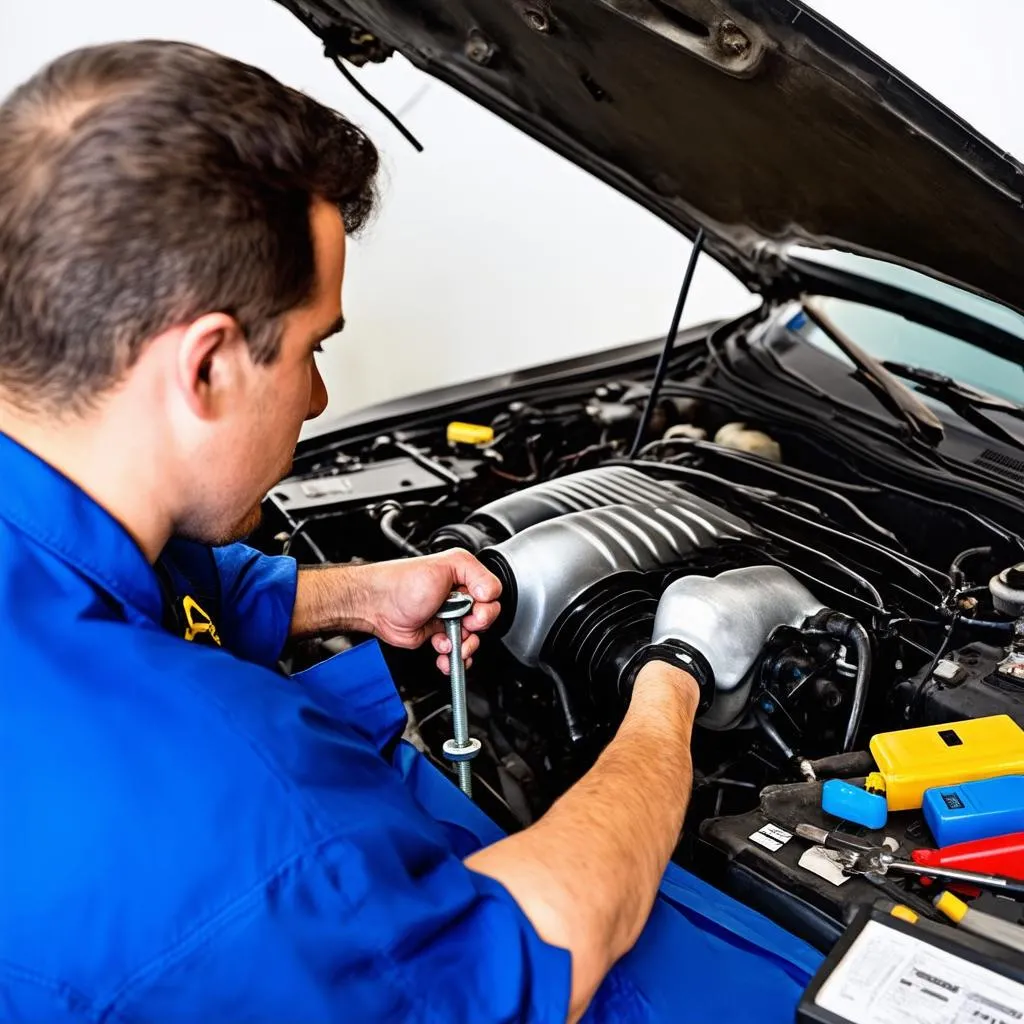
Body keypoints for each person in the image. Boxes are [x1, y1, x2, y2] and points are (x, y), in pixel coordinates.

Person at [0, 41, 822, 1022]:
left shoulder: (57, 506)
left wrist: (354, 591)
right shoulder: (256, 833)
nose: (318, 395)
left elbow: (166, 585)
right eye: (311, 349)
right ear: (207, 365)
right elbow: (532, 952)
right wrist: (674, 678)